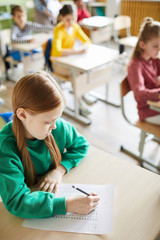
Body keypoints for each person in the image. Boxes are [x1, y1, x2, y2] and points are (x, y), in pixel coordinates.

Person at [0, 71, 99, 218]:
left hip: (43, 194)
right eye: (48, 122)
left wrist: (59, 170)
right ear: (22, 115)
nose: (54, 126)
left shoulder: (57, 126)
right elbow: (17, 201)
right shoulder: (5, 148)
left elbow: (82, 145)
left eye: (57, 118)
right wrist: (68, 205)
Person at [51, 4, 96, 116]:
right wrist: (76, 51)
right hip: (58, 64)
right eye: (67, 19)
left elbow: (87, 41)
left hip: (70, 60)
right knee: (76, 73)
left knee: (82, 71)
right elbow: (57, 51)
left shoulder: (75, 27)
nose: (71, 22)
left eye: (73, 19)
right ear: (61, 18)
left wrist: (83, 47)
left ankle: (83, 94)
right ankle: (79, 104)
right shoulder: (58, 30)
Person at [128, 17, 160, 125]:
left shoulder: (154, 59)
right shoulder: (135, 66)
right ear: (142, 45)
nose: (159, 50)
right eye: (155, 46)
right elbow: (139, 94)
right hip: (149, 111)